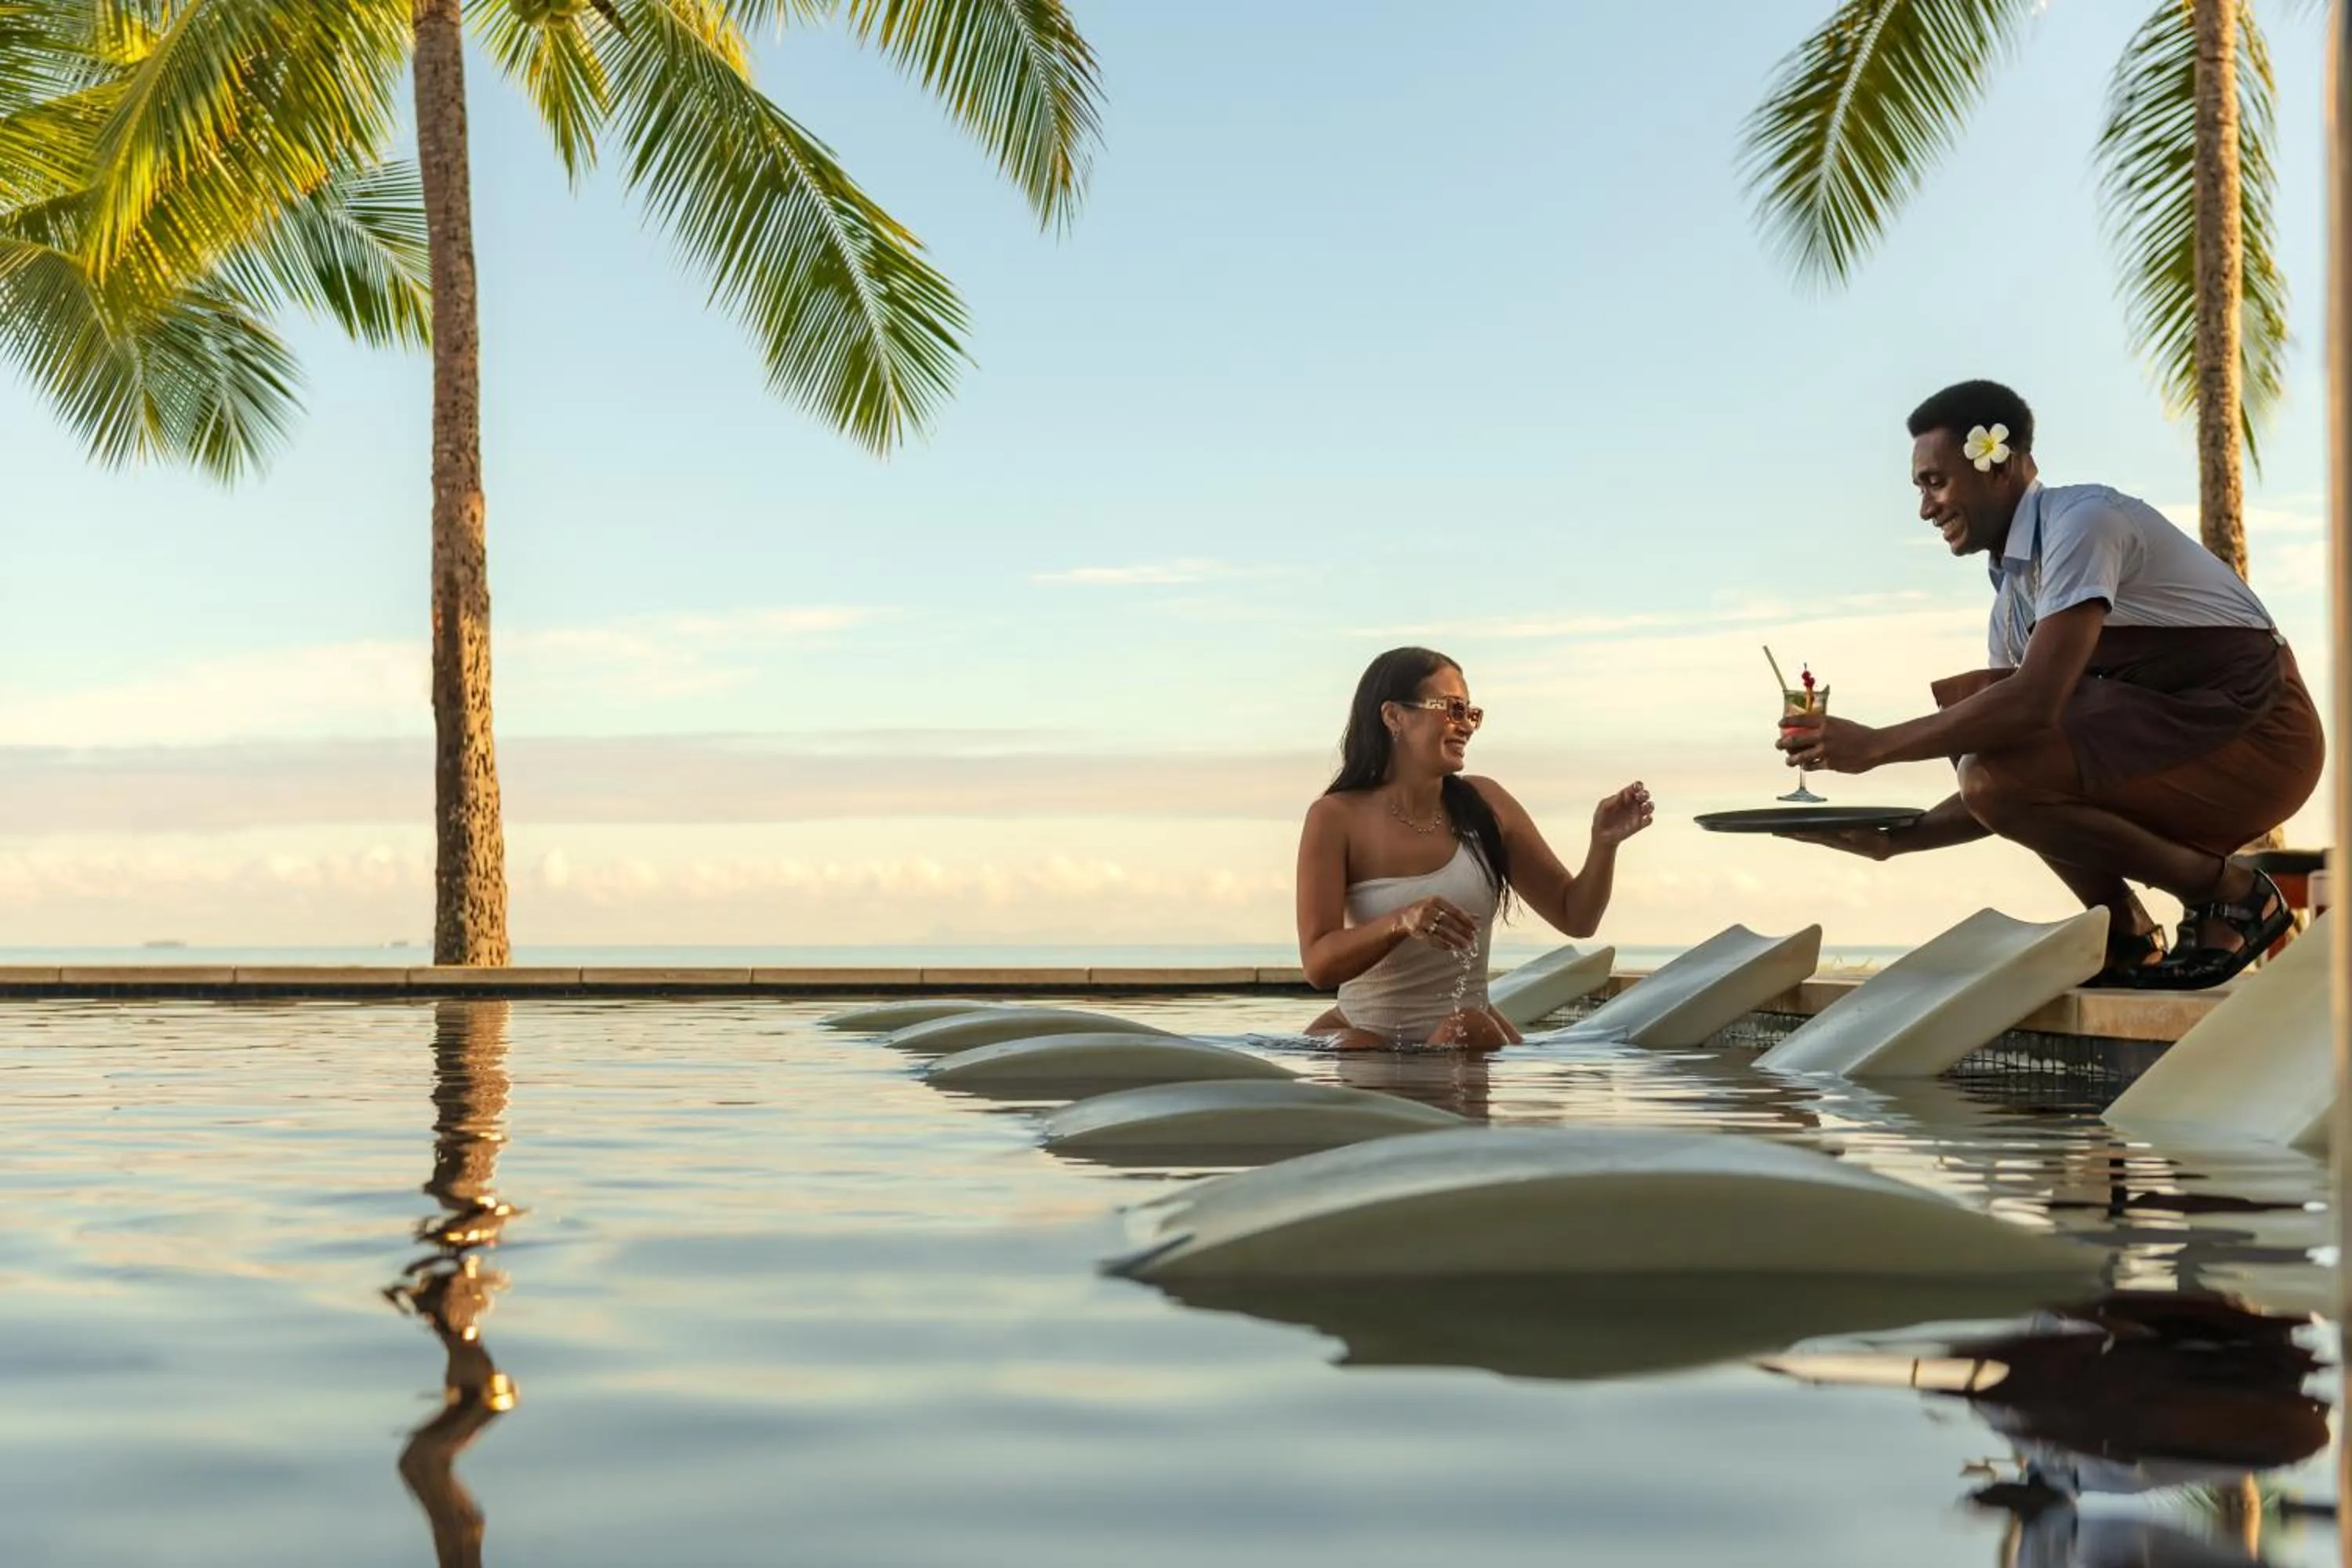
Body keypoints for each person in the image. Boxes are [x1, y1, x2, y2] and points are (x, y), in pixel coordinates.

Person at [1776, 379, 2322, 989]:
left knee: (1998, 716)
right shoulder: (2014, 600)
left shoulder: (2083, 522)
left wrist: (1875, 746)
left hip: (2263, 738)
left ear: (1999, 465)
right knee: (1984, 720)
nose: (1925, 508)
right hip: (2175, 745)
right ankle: (2123, 931)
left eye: (1936, 482)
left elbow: (2033, 707)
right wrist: (1897, 841)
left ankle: (2233, 896)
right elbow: (2003, 787)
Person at [1297, 647, 1653, 1049]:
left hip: (1463, 1036)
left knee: (1467, 1027)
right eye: (1452, 709)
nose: (1466, 725)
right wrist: (1403, 921)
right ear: (1394, 716)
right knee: (1354, 1045)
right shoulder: (1334, 817)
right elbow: (1318, 965)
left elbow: (1577, 917)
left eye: (1471, 714)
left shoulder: (1488, 804)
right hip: (1365, 1034)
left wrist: (1603, 845)